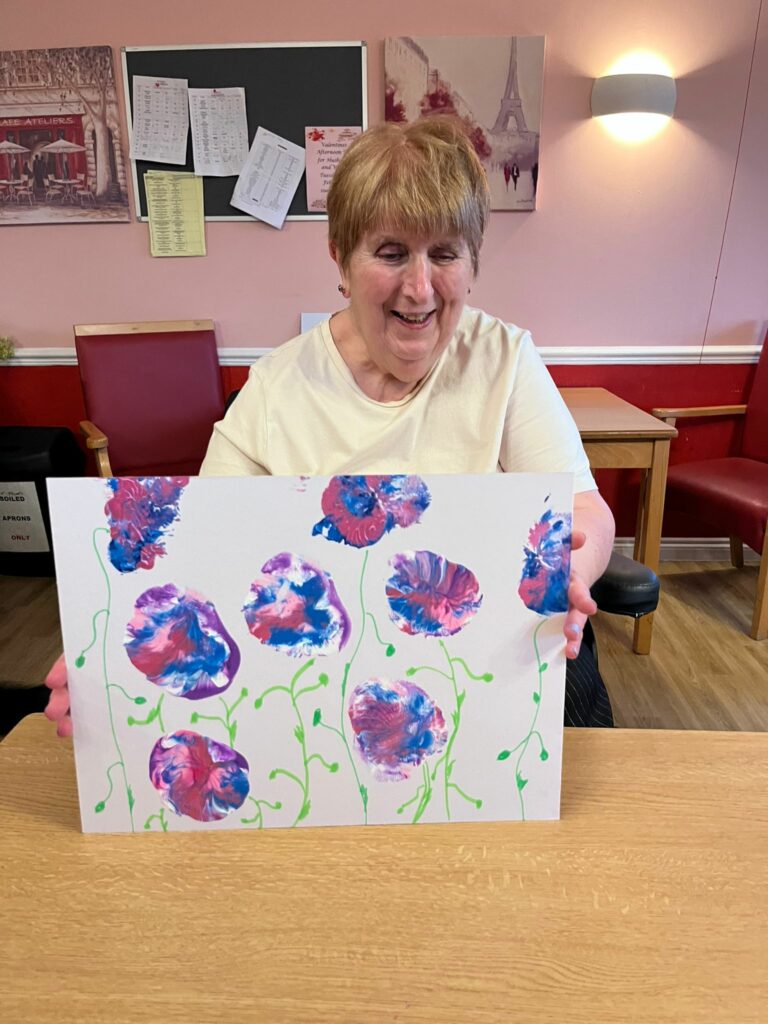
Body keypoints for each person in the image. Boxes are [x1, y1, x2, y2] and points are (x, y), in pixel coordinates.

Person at [45, 116, 615, 736]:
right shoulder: (274, 389)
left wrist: (574, 573)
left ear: (472, 262)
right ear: (340, 256)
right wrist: (111, 661)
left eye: (445, 253)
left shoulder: (505, 360)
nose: (420, 287)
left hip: (493, 663)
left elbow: (585, 509)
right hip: (329, 687)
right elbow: (200, 552)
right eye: (391, 253)